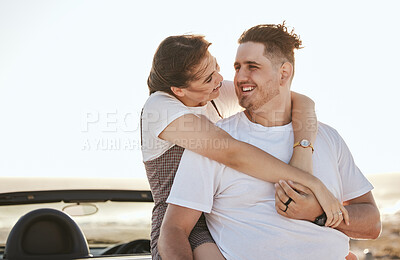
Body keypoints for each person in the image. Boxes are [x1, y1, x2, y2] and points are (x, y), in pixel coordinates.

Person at [159, 23, 381, 260]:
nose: (239, 77)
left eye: (252, 67)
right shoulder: (212, 142)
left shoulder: (329, 138)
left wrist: (319, 214)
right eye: (237, 67)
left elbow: (372, 224)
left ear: (284, 73)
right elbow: (174, 230)